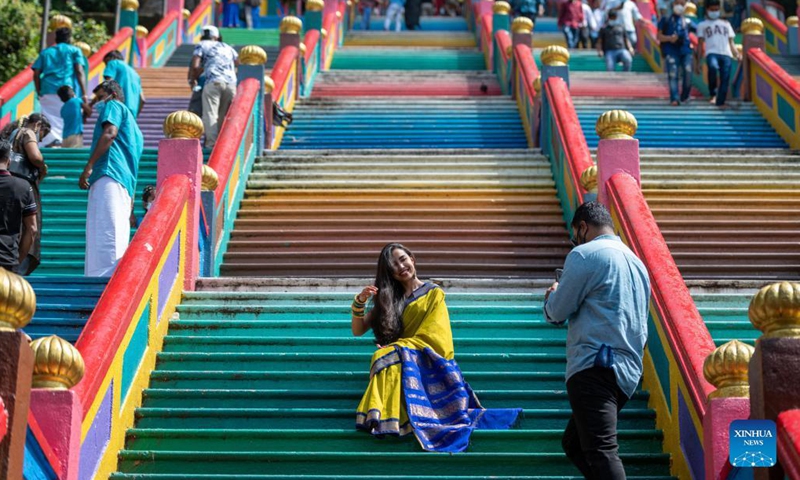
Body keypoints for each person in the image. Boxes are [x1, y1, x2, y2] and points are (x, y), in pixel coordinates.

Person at [353, 243, 521, 452]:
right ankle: (385, 419)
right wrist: (359, 302)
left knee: (388, 354)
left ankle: (387, 418)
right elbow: (358, 330)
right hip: (403, 354)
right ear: (390, 273)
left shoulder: (433, 293)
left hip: (428, 356)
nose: (400, 266)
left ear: (412, 259)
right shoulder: (390, 300)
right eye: (393, 265)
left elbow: (436, 336)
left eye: (402, 259)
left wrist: (400, 346)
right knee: (385, 354)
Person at [544, 202, 650, 480]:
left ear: (582, 227)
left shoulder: (584, 254)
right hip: (627, 370)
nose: (574, 242)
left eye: (574, 236)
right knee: (575, 443)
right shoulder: (637, 262)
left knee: (601, 450)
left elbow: (557, 312)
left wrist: (552, 296)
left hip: (595, 364)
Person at [80, 80, 143, 277]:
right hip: (123, 184)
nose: (99, 103)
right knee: (114, 234)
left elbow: (109, 134)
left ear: (112, 94)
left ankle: (101, 283)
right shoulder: (135, 129)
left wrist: (89, 166)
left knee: (105, 233)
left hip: (108, 173)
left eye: (100, 97)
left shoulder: (114, 106)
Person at [0, 114, 50, 275]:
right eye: (42, 135)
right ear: (38, 125)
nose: (40, 140)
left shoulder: (13, 134)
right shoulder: (28, 132)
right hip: (22, 185)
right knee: (27, 227)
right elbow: (35, 157)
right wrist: (43, 167)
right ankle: (19, 267)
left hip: (9, 184)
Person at [32, 28, 88, 146]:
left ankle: (50, 141)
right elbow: (79, 70)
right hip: (66, 90)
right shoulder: (74, 50)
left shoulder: (46, 52)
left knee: (49, 117)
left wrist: (39, 91)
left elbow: (36, 74)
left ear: (56, 38)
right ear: (69, 39)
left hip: (47, 88)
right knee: (66, 116)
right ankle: (63, 141)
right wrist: (84, 93)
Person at [189, 26, 238, 150]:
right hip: (231, 84)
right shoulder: (227, 47)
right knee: (223, 116)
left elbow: (195, 66)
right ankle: (223, 145)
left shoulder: (202, 44)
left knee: (210, 114)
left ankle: (211, 145)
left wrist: (193, 78)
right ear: (216, 36)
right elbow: (239, 63)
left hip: (213, 81)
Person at [0, 141, 38, 274]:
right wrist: (18, 259)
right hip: (8, 260)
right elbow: (32, 228)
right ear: (9, 160)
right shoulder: (23, 187)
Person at [697, 0, 740, 107]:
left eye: (716, 10)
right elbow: (700, 44)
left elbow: (731, 42)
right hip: (712, 52)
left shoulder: (726, 24)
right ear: (707, 10)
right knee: (712, 68)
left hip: (726, 54)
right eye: (712, 10)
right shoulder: (702, 25)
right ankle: (713, 94)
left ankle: (720, 102)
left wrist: (737, 54)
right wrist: (698, 61)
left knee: (725, 78)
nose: (714, 12)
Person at [658, 0, 694, 105]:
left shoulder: (687, 21)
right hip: (671, 50)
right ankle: (674, 98)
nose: (679, 6)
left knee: (688, 72)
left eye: (682, 4)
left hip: (685, 50)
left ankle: (685, 96)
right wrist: (670, 38)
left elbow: (699, 33)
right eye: (677, 3)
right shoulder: (666, 19)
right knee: (673, 74)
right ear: (673, 4)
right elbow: (659, 36)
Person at [103, 50, 146, 118]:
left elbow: (108, 82)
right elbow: (142, 100)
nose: (106, 66)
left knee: (110, 128)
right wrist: (134, 116)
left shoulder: (113, 62)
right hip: (132, 111)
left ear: (111, 58)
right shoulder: (136, 74)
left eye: (106, 63)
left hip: (118, 107)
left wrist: (92, 103)